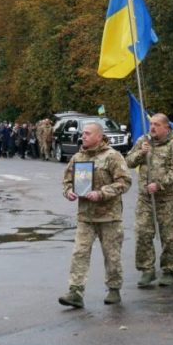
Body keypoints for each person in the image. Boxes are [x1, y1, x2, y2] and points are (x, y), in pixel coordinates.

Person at [59, 122, 131, 308]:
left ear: (99, 136)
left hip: (109, 216)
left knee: (111, 256)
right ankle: (75, 291)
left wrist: (102, 193)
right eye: (83, 133)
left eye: (88, 133)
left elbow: (124, 182)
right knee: (79, 253)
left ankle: (114, 289)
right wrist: (69, 192)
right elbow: (66, 181)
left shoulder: (112, 157)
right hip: (86, 217)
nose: (83, 136)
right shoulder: (78, 157)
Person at [125, 113, 173, 287]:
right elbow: (128, 161)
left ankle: (168, 270)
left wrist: (159, 184)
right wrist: (140, 153)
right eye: (151, 124)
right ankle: (147, 270)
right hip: (145, 198)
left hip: (168, 198)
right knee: (143, 232)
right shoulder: (143, 141)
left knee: (169, 236)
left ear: (166, 127)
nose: (152, 127)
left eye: (157, 125)